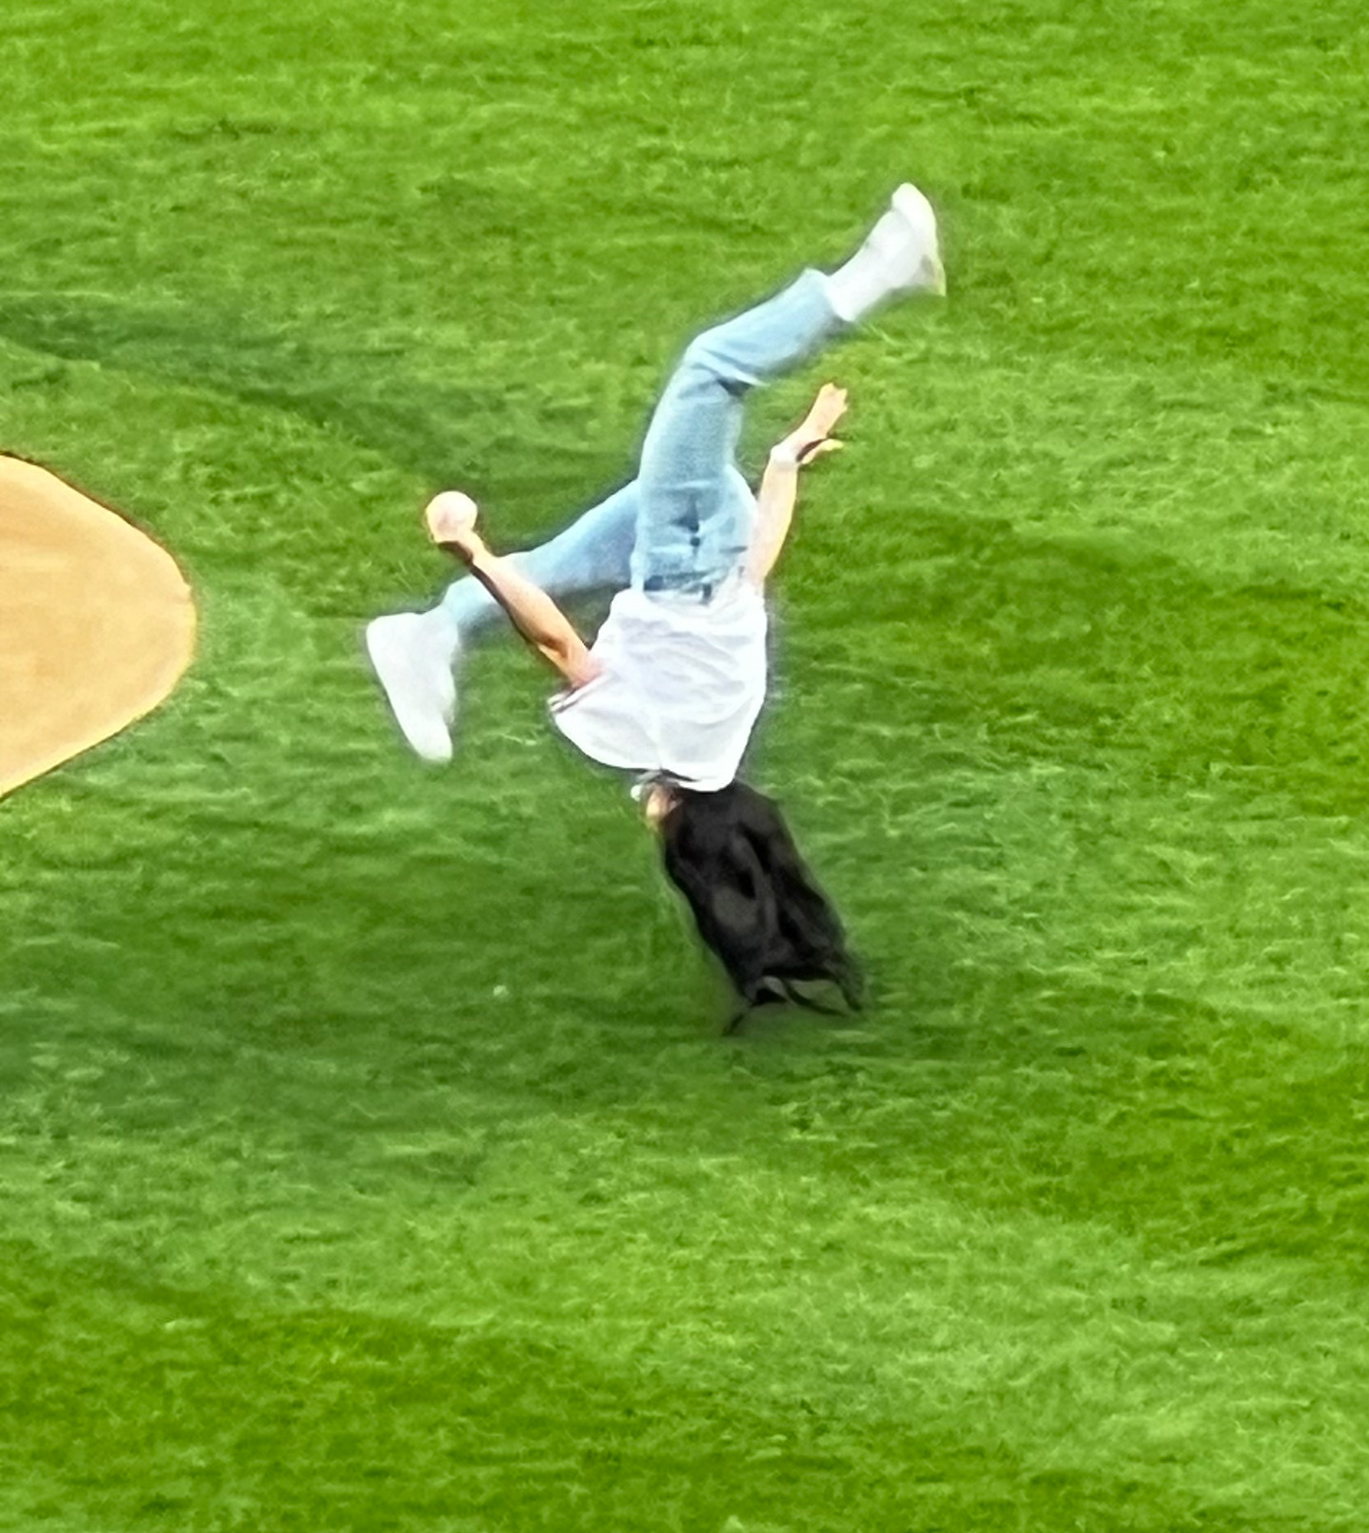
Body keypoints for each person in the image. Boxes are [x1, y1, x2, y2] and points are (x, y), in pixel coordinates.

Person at [363, 185, 943, 1017]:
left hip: (712, 543)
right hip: (684, 546)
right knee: (710, 371)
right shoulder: (642, 739)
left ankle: (437, 632)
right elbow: (557, 644)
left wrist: (783, 462)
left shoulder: (726, 731)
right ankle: (879, 273)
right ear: (671, 825)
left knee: (559, 562)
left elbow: (754, 578)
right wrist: (473, 551)